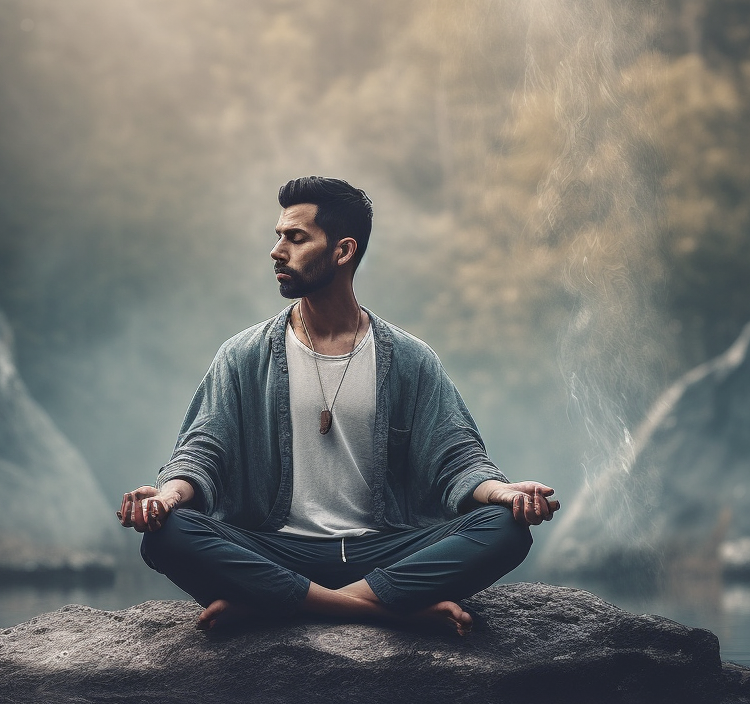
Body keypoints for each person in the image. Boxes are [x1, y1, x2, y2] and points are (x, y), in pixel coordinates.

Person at [117, 176, 558, 635]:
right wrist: (165, 498)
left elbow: (458, 459)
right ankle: (379, 608)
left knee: (505, 529)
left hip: (384, 549)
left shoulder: (409, 359)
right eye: (278, 236)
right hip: (277, 548)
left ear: (343, 251)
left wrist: (505, 493)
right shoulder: (243, 355)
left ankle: (276, 603)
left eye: (295, 237)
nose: (277, 251)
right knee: (167, 535)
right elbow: (202, 451)